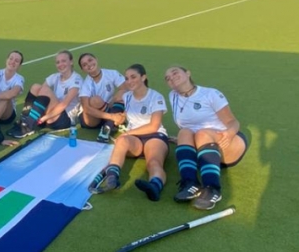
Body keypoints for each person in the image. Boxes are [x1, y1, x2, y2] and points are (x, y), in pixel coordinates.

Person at [164, 66, 248, 210]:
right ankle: (190, 183)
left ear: (188, 73)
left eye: (175, 73)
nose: (171, 78)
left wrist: (229, 134)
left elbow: (233, 122)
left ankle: (213, 189)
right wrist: (185, 142)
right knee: (183, 132)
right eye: (167, 78)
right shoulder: (173, 96)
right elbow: (189, 126)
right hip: (202, 146)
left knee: (202, 134)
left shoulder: (210, 94)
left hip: (225, 141)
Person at [89, 64, 169, 202]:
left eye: (133, 77)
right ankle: (112, 178)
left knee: (153, 162)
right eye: (126, 78)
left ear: (143, 77)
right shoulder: (127, 96)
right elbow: (127, 114)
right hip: (135, 139)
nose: (129, 81)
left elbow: (154, 126)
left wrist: (128, 133)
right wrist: (119, 117)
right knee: (121, 141)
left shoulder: (156, 97)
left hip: (154, 136)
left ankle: (155, 186)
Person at [8, 50, 83, 138]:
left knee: (45, 90)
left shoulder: (76, 80)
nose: (60, 64)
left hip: (64, 120)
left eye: (63, 61)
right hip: (50, 116)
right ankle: (24, 120)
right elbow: (40, 92)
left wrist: (44, 118)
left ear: (71, 62)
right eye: (58, 62)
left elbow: (63, 105)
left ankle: (28, 126)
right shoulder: (56, 76)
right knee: (36, 87)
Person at [77, 52, 128, 142]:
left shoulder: (111, 73)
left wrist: (124, 114)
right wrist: (112, 116)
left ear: (96, 59)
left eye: (90, 60)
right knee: (95, 100)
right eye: (84, 65)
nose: (89, 65)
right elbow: (87, 109)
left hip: (107, 108)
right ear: (83, 70)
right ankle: (113, 121)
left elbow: (126, 89)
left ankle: (107, 128)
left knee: (123, 92)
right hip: (91, 119)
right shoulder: (86, 84)